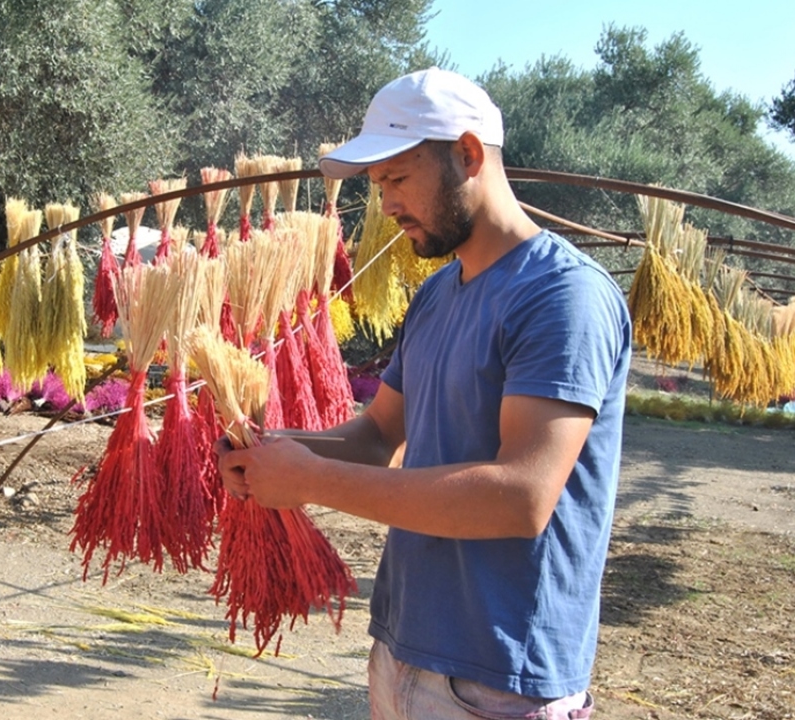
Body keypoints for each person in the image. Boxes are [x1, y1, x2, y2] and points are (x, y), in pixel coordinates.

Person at [217, 67, 632, 719]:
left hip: (501, 678)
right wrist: (273, 449)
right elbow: (379, 434)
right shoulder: (440, 294)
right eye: (378, 185)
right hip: (405, 647)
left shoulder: (562, 297)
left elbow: (521, 496)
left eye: (397, 179)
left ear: (468, 155)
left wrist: (309, 480)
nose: (384, 204)